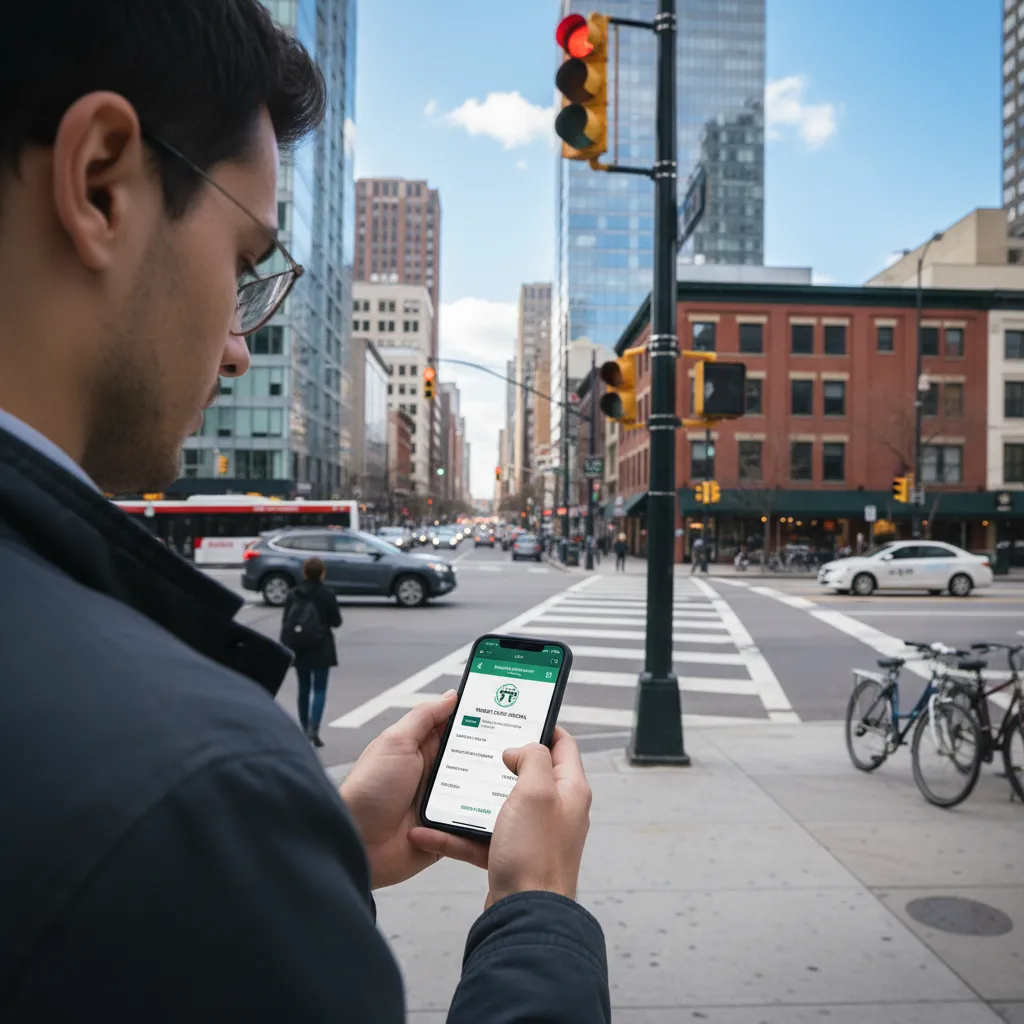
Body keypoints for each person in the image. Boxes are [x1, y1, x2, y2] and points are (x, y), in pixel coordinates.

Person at [0, 4, 609, 1021]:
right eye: (244, 264)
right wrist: (533, 906)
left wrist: (303, 845)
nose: (238, 344)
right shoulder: (192, 782)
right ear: (101, 181)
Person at [281, 557, 342, 747]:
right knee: (320, 689)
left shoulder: (294, 594)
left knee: (304, 688)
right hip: (321, 645)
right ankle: (314, 728)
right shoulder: (327, 594)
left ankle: (304, 727)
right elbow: (336, 621)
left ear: (304, 573)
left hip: (300, 645)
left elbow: (286, 621)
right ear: (322, 573)